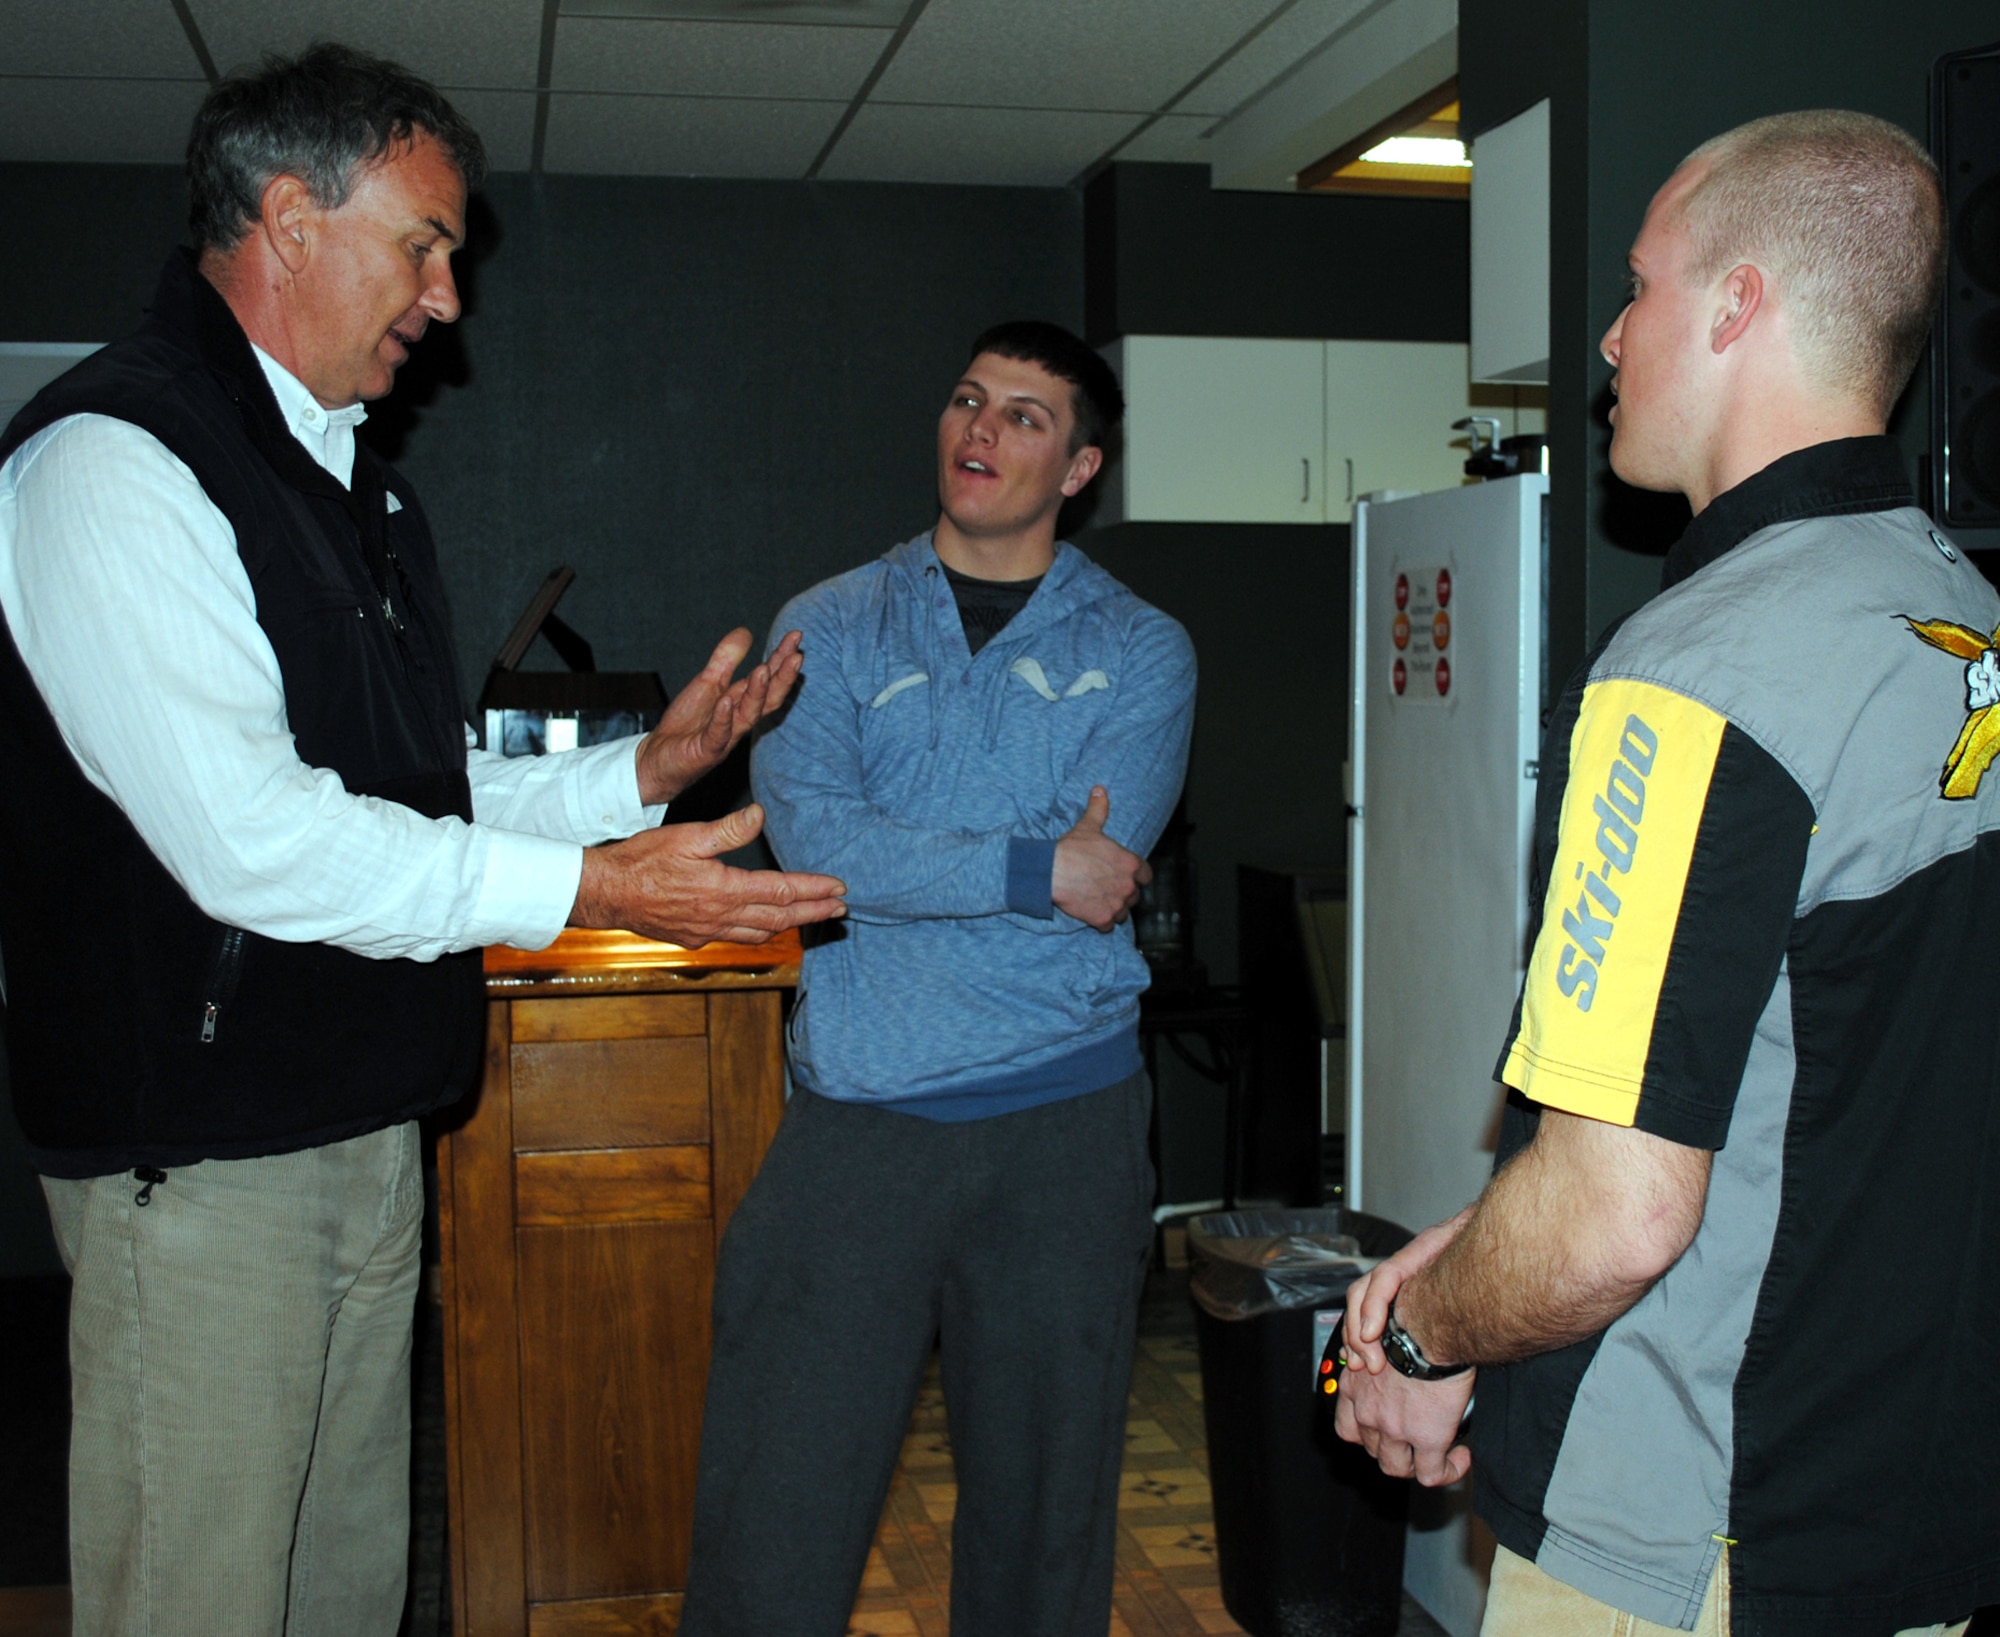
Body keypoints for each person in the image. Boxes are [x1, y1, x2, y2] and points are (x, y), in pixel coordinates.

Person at [0, 43, 845, 1637]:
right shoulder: (114, 464)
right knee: (201, 1598)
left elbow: (409, 785)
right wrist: (594, 886)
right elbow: (256, 840)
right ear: (290, 218)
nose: (447, 298)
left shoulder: (352, 493)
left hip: (361, 1137)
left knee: (340, 1596)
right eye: (427, 244)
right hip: (199, 1169)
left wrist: (633, 775)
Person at [1333, 110, 1996, 1637]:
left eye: (1638, 287)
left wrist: (1423, 1337)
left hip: (1700, 1533)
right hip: (1913, 1508)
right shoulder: (1961, 616)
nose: (1613, 338)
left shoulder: (1693, 680)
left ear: (1739, 303)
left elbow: (1620, 1209)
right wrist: (1493, 1239)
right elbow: (1798, 1078)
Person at [676, 320, 1196, 1637]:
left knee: (1043, 1520)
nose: (983, 429)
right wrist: (1034, 868)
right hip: (858, 1123)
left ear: (1080, 467)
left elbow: (1112, 868)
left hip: (1064, 1126)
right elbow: (822, 846)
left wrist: (940, 860)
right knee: (773, 1511)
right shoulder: (831, 625)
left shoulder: (1143, 649)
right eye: (970, 399)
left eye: (1027, 416)